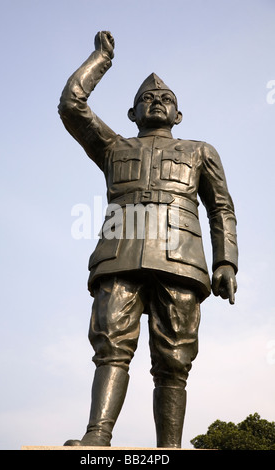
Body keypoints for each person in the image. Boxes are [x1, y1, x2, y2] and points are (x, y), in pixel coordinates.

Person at [58, 31, 238, 448]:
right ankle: (97, 435)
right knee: (111, 346)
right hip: (119, 256)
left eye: (166, 99)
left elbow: (221, 208)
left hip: (181, 259)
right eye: (147, 98)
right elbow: (72, 105)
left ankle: (169, 448)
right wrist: (100, 59)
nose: (157, 101)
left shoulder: (200, 151)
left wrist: (225, 261)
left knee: (174, 359)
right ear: (131, 112)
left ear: (179, 115)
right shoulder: (112, 147)